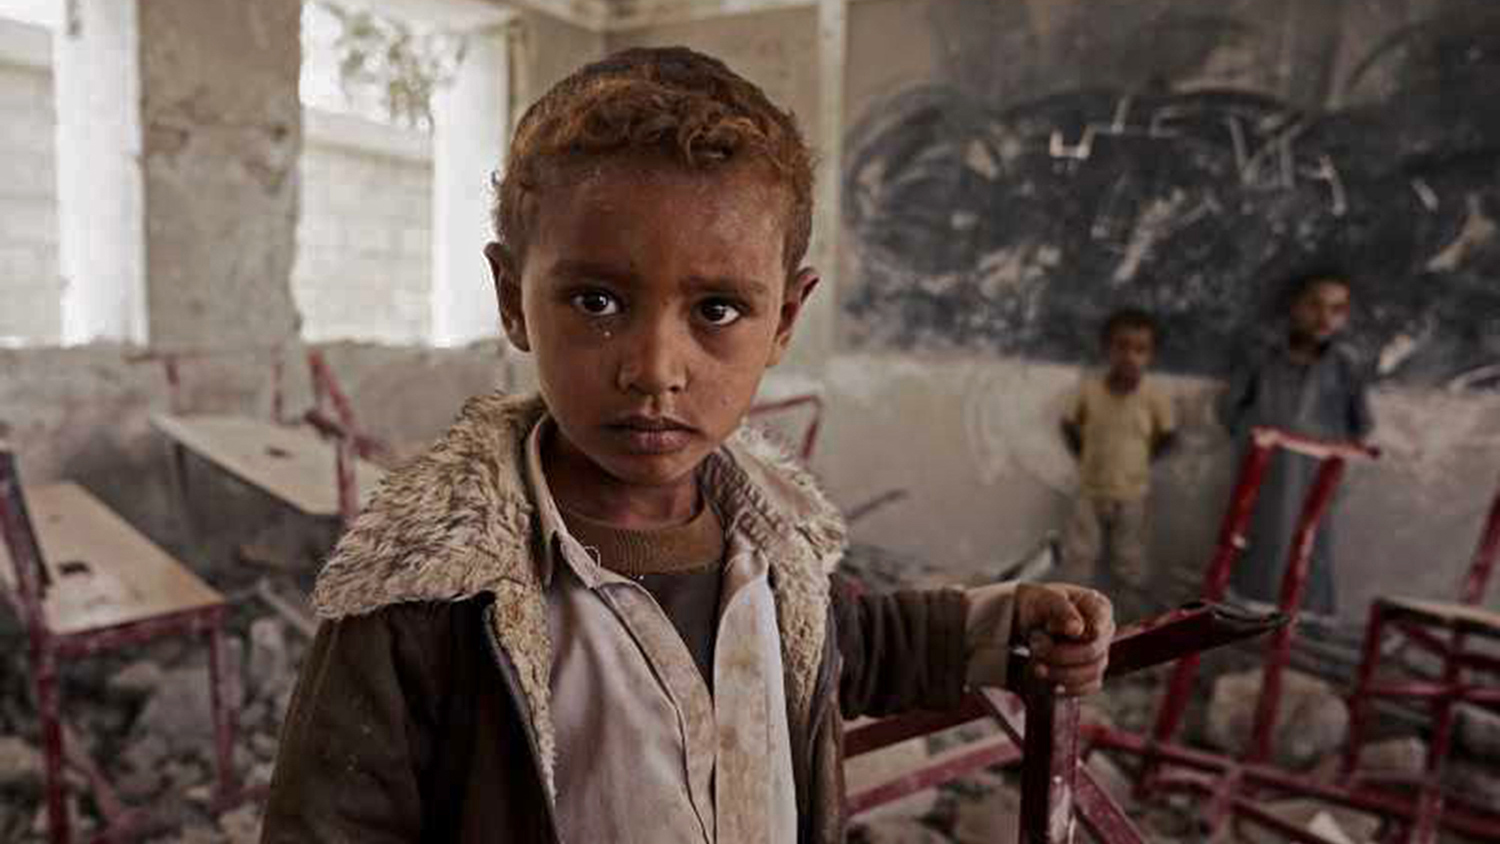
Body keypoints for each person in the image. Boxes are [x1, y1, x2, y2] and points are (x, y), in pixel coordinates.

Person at [261, 46, 1114, 844]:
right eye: (596, 301)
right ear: (514, 298)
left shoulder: (774, 550)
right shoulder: (423, 598)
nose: (654, 370)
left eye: (715, 311)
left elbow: (841, 648)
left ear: (783, 319)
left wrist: (1003, 630)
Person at [1218, 272, 1375, 620]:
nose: (1324, 317)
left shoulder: (1345, 366)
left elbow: (1361, 424)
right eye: (1314, 305)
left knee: (1309, 544)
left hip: (1316, 476)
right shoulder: (1263, 356)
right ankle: (1248, 618)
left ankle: (1301, 623)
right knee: (1258, 538)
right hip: (1264, 472)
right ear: (1294, 306)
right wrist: (1261, 438)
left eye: (1336, 309)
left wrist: (1324, 447)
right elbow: (1230, 409)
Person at [1058, 308, 1177, 609]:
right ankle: (1069, 611)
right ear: (1107, 349)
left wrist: (1141, 460)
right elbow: (1069, 424)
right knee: (1080, 555)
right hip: (1090, 489)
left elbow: (1167, 435)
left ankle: (1133, 616)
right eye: (1121, 346)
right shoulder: (1089, 389)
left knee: (1131, 557)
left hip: (1132, 492)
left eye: (1140, 349)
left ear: (1150, 356)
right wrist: (1084, 454)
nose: (1129, 356)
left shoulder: (1154, 396)